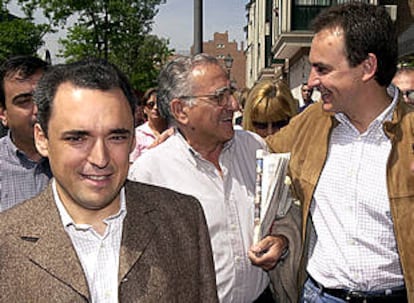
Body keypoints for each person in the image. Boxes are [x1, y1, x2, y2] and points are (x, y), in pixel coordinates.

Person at [0, 58, 218, 302]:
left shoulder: (184, 220)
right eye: (77, 139)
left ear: (133, 138)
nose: (100, 158)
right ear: (42, 139)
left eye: (116, 137)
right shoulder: (5, 241)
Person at [264, 3, 413, 302]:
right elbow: (257, 157)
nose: (311, 82)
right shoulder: (309, 124)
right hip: (319, 295)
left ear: (367, 67)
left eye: (323, 69)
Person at [129, 53, 296, 303]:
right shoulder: (150, 174)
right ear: (181, 110)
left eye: (230, 92)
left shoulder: (255, 148)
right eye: (219, 97)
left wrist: (281, 240)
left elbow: (284, 211)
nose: (234, 105)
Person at [0, 55, 51, 211]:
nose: (37, 110)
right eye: (24, 101)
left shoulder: (83, 159)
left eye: (43, 99)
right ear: (3, 114)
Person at [130, 87, 168, 162]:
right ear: (144, 109)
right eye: (151, 104)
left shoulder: (175, 131)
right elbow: (132, 164)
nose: (156, 107)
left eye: (160, 104)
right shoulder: (137, 135)